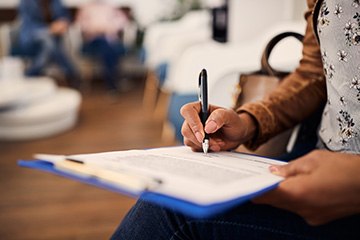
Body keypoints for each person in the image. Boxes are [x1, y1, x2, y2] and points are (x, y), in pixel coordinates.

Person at [111, 0, 360, 239]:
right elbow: (314, 73)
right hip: (315, 159)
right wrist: (248, 121)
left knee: (173, 212)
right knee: (175, 196)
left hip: (344, 190)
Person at [17, 0, 81, 88]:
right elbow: (29, 23)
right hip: (31, 38)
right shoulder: (26, 2)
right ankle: (72, 74)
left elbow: (65, 16)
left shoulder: (56, 1)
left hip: (52, 40)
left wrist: (62, 23)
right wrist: (49, 29)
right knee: (49, 42)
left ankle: (29, 75)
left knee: (49, 44)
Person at [75, 0, 130, 92]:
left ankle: (111, 84)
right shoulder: (86, 8)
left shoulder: (111, 7)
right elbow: (81, 24)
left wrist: (110, 28)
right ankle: (113, 83)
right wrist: (96, 29)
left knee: (107, 47)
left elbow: (122, 21)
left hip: (110, 40)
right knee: (106, 45)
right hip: (93, 41)